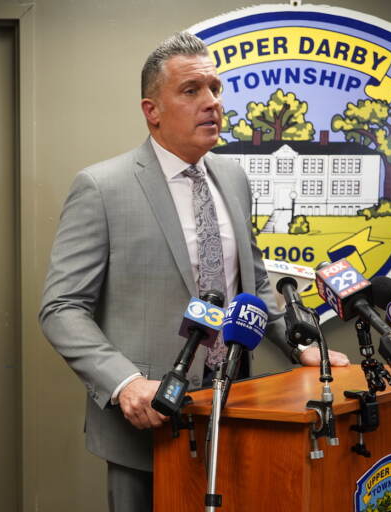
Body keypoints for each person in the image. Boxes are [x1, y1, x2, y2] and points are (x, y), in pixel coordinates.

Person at [38, 32, 349, 512]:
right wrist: (124, 382)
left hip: (236, 414)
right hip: (149, 423)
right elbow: (61, 308)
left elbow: (256, 287)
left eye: (215, 89)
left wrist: (301, 346)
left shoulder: (233, 177)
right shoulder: (101, 187)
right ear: (152, 110)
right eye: (191, 91)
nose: (212, 103)